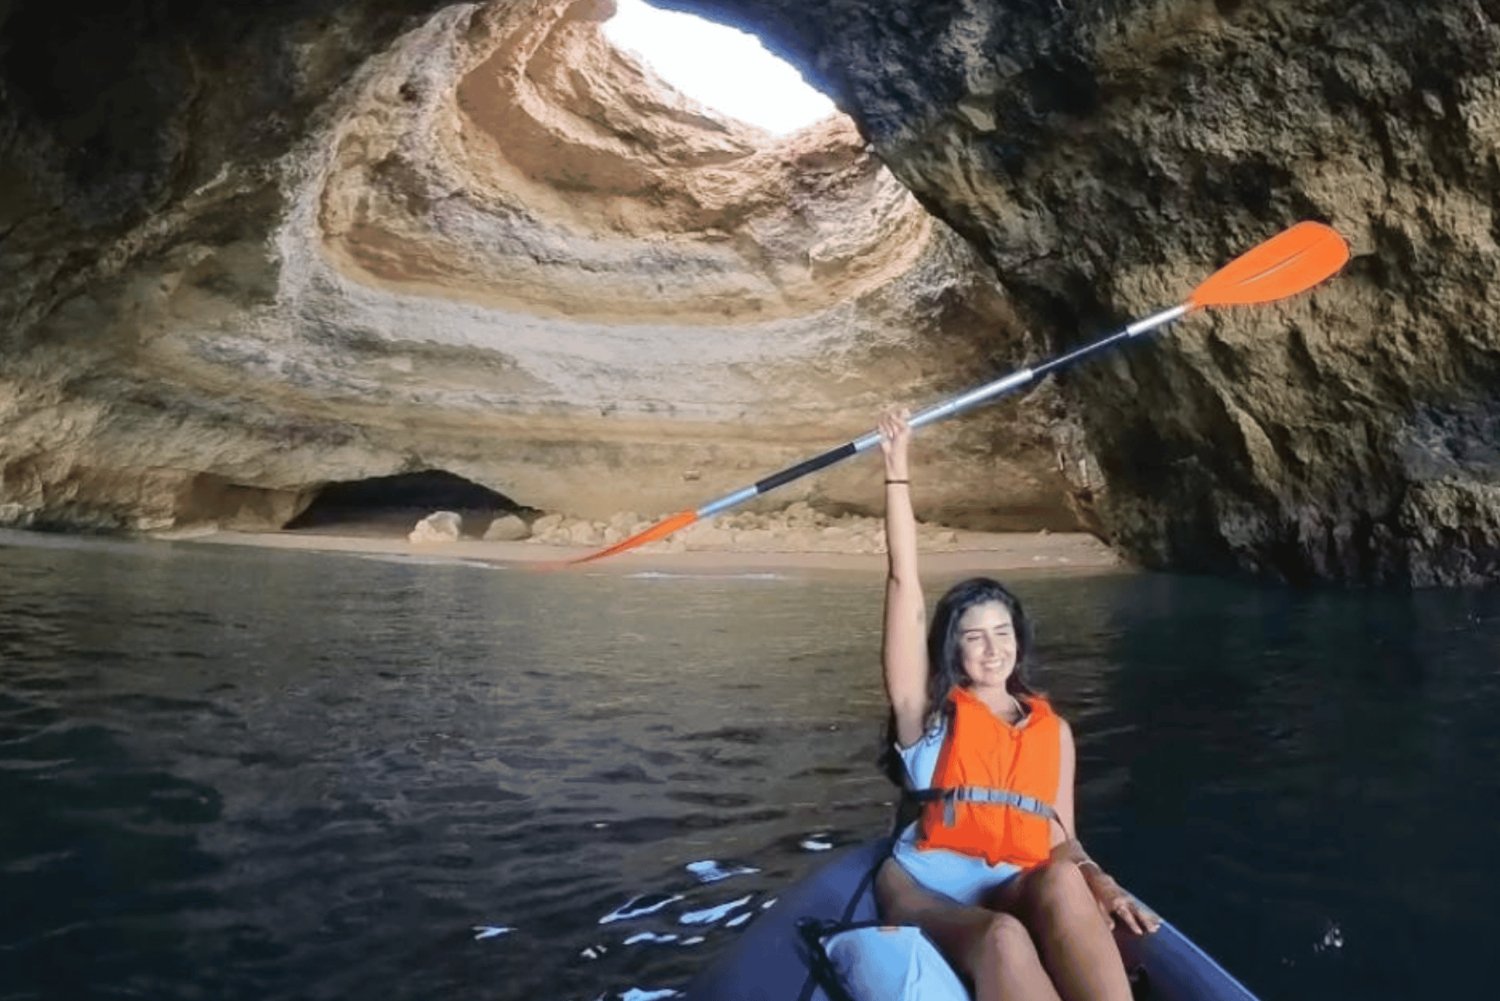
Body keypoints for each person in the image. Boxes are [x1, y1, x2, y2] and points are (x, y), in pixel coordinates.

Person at [871, 408, 1158, 1001]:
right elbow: (905, 586)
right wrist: (897, 470)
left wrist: (1102, 885)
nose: (992, 649)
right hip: (926, 886)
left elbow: (1061, 841)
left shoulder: (1053, 731)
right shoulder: (925, 714)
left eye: (1002, 633)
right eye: (974, 636)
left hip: (1010, 878)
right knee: (1003, 937)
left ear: (1019, 641)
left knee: (1063, 881)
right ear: (953, 647)